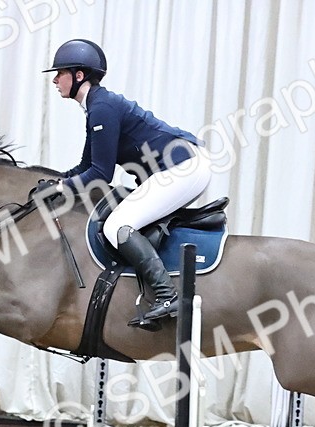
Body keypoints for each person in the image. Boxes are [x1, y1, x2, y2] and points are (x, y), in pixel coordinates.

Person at [37, 39, 212, 327]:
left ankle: (167, 296)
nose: (55, 79)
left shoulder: (102, 108)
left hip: (183, 167)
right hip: (181, 166)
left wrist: (59, 189)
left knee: (116, 226)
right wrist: (55, 182)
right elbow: (85, 167)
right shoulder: (97, 107)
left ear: (79, 75)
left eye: (61, 73)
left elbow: (100, 175)